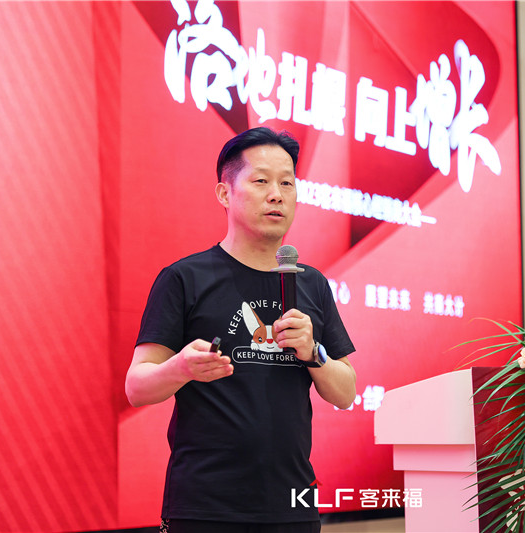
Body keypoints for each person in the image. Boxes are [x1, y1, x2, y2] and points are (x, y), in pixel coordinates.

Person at [125, 127, 357, 533]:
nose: (277, 195)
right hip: (205, 508)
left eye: (287, 183)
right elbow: (136, 387)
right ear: (224, 193)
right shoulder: (185, 278)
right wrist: (180, 368)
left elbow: (346, 392)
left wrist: (313, 352)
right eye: (261, 181)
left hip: (293, 506)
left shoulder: (311, 283)